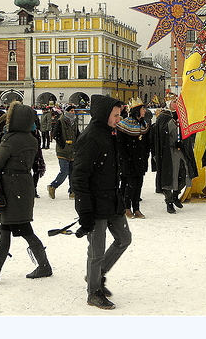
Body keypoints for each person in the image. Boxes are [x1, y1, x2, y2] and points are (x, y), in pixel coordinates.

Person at [0, 102, 52, 284]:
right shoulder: (32, 139)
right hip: (23, 185)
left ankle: (43, 266)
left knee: (21, 228)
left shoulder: (10, 139)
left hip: (11, 186)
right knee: (8, 228)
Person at [71, 94, 130, 310]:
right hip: (95, 204)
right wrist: (85, 212)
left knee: (124, 238)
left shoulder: (110, 134)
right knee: (96, 251)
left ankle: (95, 275)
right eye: (115, 115)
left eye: (119, 114)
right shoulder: (90, 138)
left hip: (112, 200)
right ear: (104, 115)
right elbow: (79, 178)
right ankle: (93, 292)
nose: (118, 118)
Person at [150, 96, 197, 214]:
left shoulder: (181, 116)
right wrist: (173, 121)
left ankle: (176, 194)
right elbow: (163, 132)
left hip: (181, 149)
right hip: (168, 152)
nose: (177, 103)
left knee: (185, 173)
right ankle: (169, 201)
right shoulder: (163, 116)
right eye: (175, 102)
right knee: (169, 177)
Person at [115, 97, 150, 219]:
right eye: (142, 108)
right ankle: (126, 207)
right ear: (137, 110)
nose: (144, 111)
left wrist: (145, 158)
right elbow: (120, 145)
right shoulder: (124, 125)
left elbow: (146, 145)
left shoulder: (144, 125)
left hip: (140, 161)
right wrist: (125, 159)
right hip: (128, 161)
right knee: (129, 185)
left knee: (138, 185)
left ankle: (136, 208)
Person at [47, 105, 80, 199]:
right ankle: (53, 186)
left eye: (74, 110)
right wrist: (63, 145)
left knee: (73, 172)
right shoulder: (61, 121)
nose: (73, 112)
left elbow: (77, 134)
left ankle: (72, 191)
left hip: (72, 150)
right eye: (71, 110)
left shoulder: (74, 122)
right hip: (63, 151)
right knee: (64, 171)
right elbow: (56, 134)